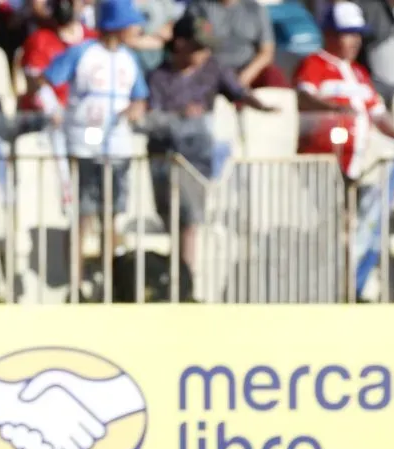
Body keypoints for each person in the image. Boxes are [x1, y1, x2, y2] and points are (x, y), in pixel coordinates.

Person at [37, 0, 148, 302]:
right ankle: (76, 286)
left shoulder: (130, 58)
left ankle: (109, 285)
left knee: (112, 218)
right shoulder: (82, 52)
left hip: (119, 147)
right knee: (83, 216)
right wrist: (54, 109)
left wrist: (135, 111)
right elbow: (45, 82)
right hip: (83, 145)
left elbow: (140, 97)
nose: (135, 30)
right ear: (116, 25)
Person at [146, 14, 276, 271]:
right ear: (181, 44)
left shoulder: (212, 68)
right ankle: (177, 279)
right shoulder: (158, 76)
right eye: (199, 46)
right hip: (165, 159)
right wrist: (179, 117)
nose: (204, 52)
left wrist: (263, 106)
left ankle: (186, 282)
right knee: (170, 220)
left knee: (191, 220)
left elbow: (238, 91)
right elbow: (150, 117)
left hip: (196, 160)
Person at [294, 1, 394, 180]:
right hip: (326, 157)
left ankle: (369, 208)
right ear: (329, 34)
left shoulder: (359, 72)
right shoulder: (314, 63)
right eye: (348, 33)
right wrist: (334, 109)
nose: (356, 40)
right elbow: (303, 97)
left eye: (359, 34)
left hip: (364, 157)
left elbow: (378, 113)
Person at [184, 0, 288, 88]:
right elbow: (196, 47)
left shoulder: (256, 9)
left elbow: (266, 52)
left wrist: (246, 75)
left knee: (274, 76)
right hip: (213, 70)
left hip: (248, 70)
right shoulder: (200, 8)